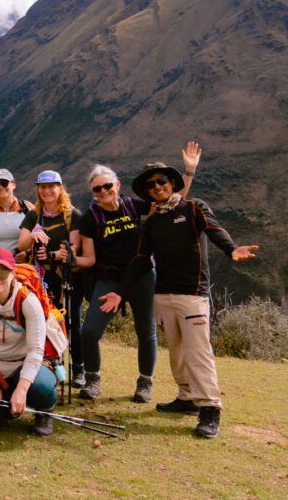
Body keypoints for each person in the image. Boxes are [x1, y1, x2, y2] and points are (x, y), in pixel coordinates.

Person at [99, 162, 258, 439]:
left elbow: (213, 228)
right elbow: (139, 261)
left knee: (199, 352)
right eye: (151, 185)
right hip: (163, 295)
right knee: (176, 351)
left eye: (161, 181)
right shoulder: (151, 223)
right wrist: (121, 292)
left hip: (193, 293)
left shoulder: (194, 207)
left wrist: (231, 249)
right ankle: (186, 398)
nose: (157, 187)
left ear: (172, 183)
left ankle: (210, 408)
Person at [75, 142, 200, 402]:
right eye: (97, 189)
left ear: (117, 186)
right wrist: (70, 259)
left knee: (146, 331)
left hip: (142, 275)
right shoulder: (90, 218)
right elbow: (89, 258)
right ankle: (93, 379)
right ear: (94, 193)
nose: (103, 191)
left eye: (107, 186)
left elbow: (170, 202)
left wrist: (188, 173)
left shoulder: (135, 206)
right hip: (108, 279)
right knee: (90, 331)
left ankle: (145, 383)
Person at [0, 249, 59, 435]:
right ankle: (7, 407)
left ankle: (45, 411)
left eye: (2, 272)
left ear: (13, 274)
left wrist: (22, 389)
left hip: (27, 366)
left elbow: (35, 350)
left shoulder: (28, 301)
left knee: (42, 389)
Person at [17, 170, 85, 387]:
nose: (47, 191)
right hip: (41, 277)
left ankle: (79, 368)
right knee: (43, 321)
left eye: (52, 186)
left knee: (72, 321)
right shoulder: (34, 215)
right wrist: (33, 236)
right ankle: (48, 366)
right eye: (43, 187)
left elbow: (73, 248)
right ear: (39, 190)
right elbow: (22, 245)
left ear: (60, 188)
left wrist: (53, 255)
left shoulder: (72, 215)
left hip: (67, 277)